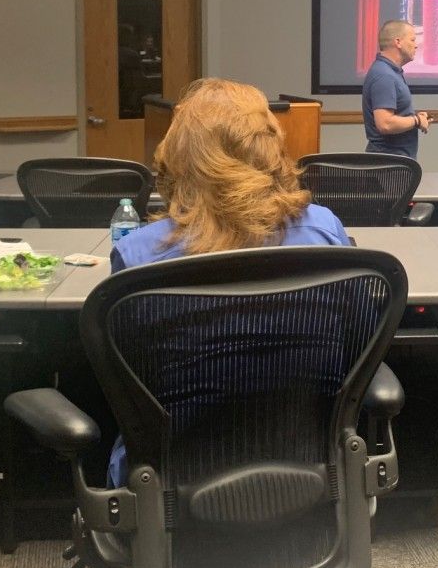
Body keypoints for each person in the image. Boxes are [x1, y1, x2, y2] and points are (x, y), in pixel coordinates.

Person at [107, 78, 351, 485]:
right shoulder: (324, 231)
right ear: (270, 145)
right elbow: (352, 339)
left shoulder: (139, 255)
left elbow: (128, 374)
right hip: (310, 467)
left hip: (173, 478)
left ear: (179, 153)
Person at [361, 18, 430, 159]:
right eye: (412, 40)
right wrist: (416, 120)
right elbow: (385, 124)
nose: (416, 45)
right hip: (388, 164)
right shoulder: (384, 76)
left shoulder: (390, 72)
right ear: (398, 42)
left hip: (394, 161)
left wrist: (415, 118)